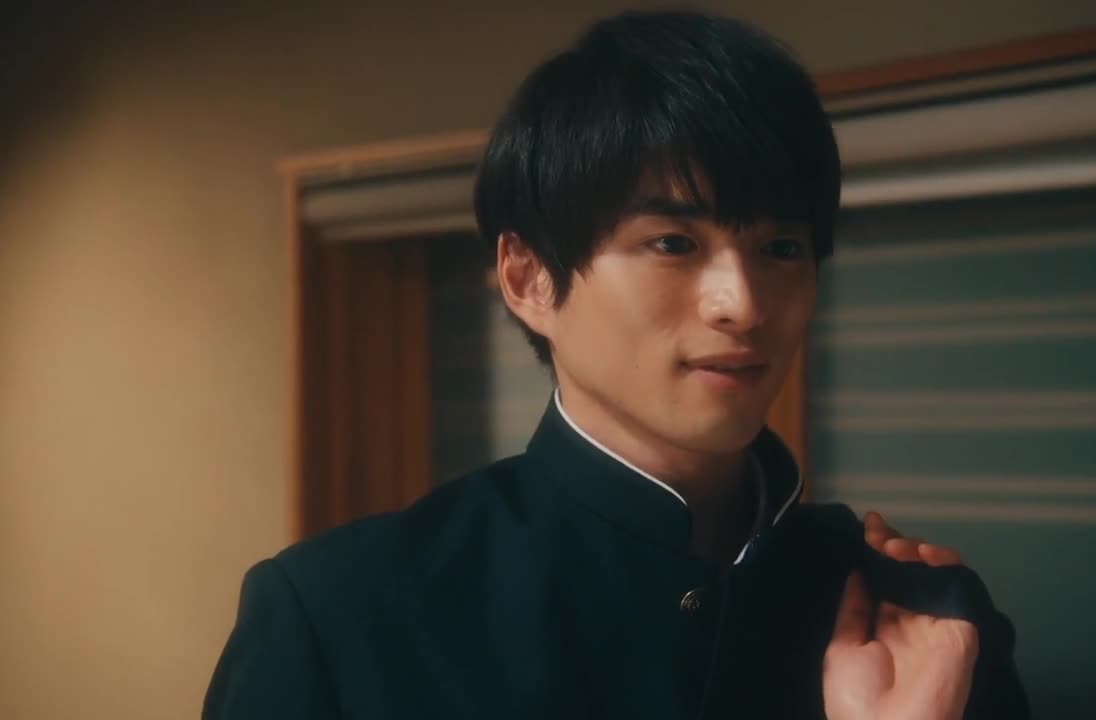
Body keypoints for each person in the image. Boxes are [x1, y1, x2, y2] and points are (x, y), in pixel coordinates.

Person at [204, 10, 1029, 720]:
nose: (742, 303)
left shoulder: (917, 614)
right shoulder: (342, 614)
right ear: (530, 279)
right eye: (673, 243)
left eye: (782, 248)